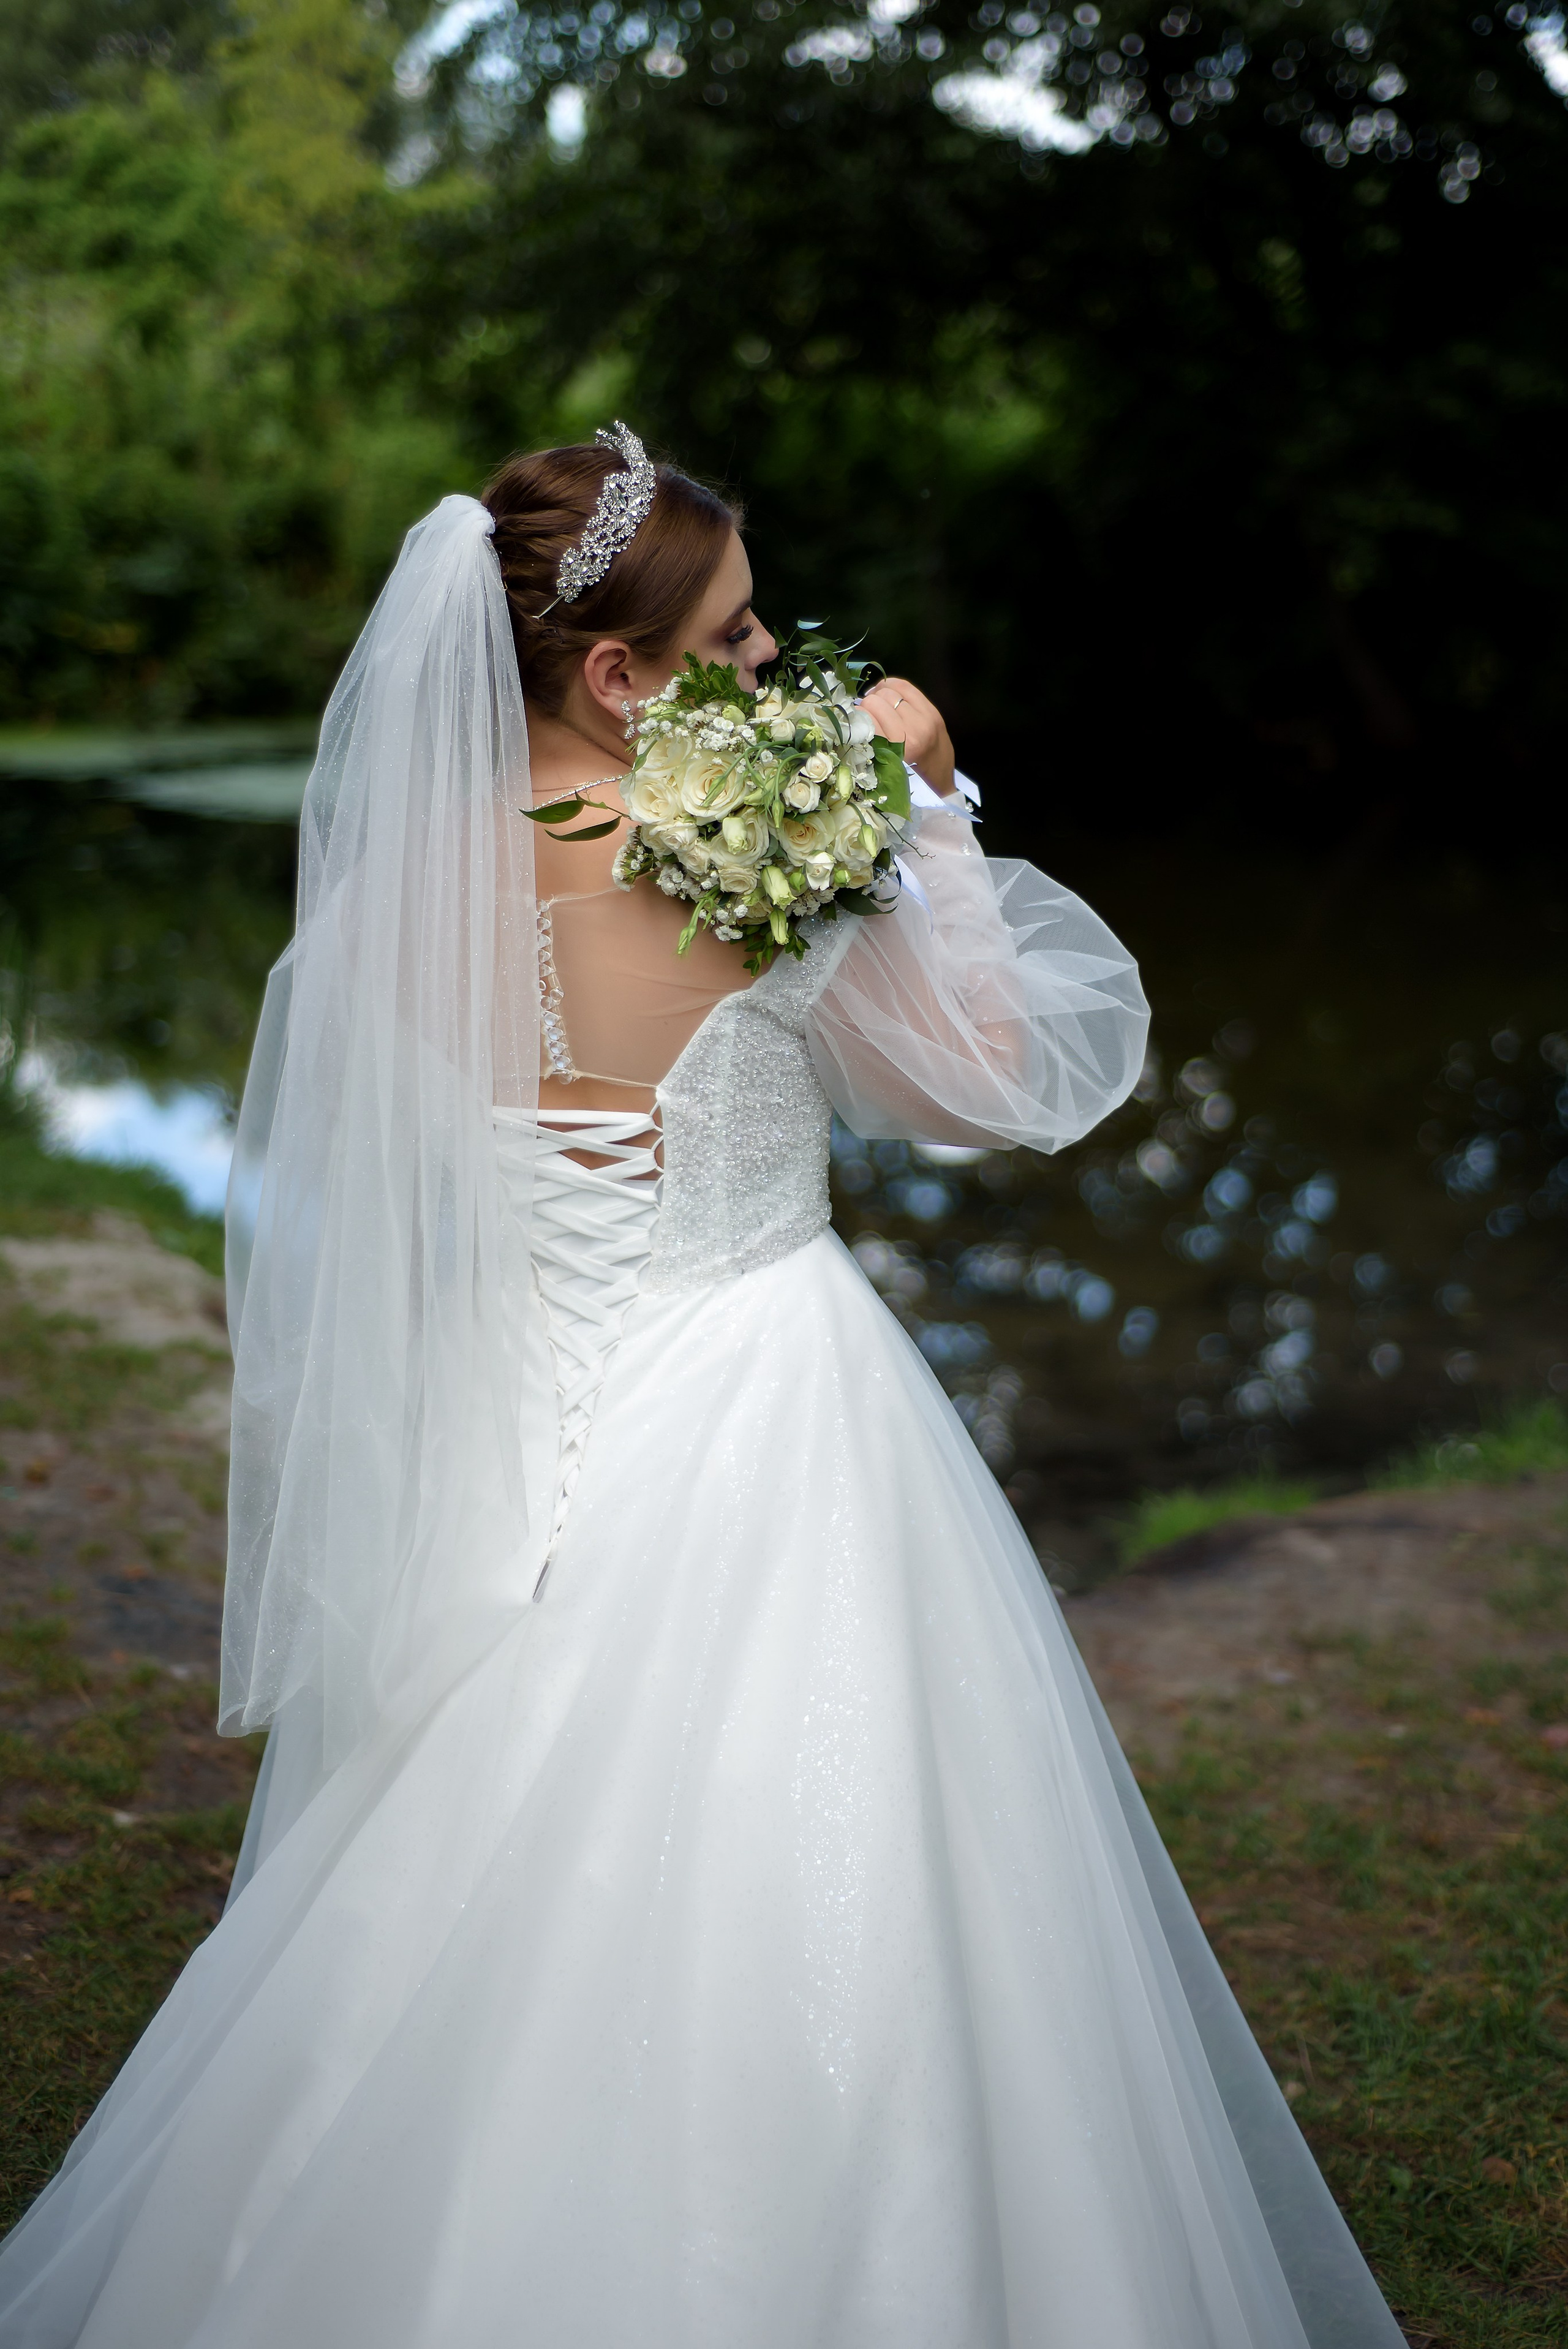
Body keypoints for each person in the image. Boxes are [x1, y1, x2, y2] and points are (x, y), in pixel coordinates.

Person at [0, 434, 1408, 2348]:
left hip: (514, 1444)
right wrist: (924, 812)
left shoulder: (402, 895)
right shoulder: (736, 871)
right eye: (738, 639)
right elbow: (1006, 1078)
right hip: (768, 1407)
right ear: (618, 676)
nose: (769, 670)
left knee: (456, 1874)